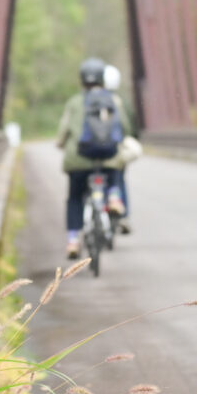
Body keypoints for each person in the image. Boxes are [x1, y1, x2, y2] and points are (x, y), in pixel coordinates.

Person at [56, 57, 131, 258]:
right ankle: (114, 197)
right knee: (115, 168)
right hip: (107, 156)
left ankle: (73, 240)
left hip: (78, 159)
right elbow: (124, 127)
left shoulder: (74, 102)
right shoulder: (113, 100)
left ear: (82, 80)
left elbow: (63, 132)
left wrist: (61, 144)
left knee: (74, 198)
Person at [104, 64, 134, 234]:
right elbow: (128, 126)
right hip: (115, 149)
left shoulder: (87, 99)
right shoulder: (120, 102)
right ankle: (124, 216)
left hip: (91, 152)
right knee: (119, 178)